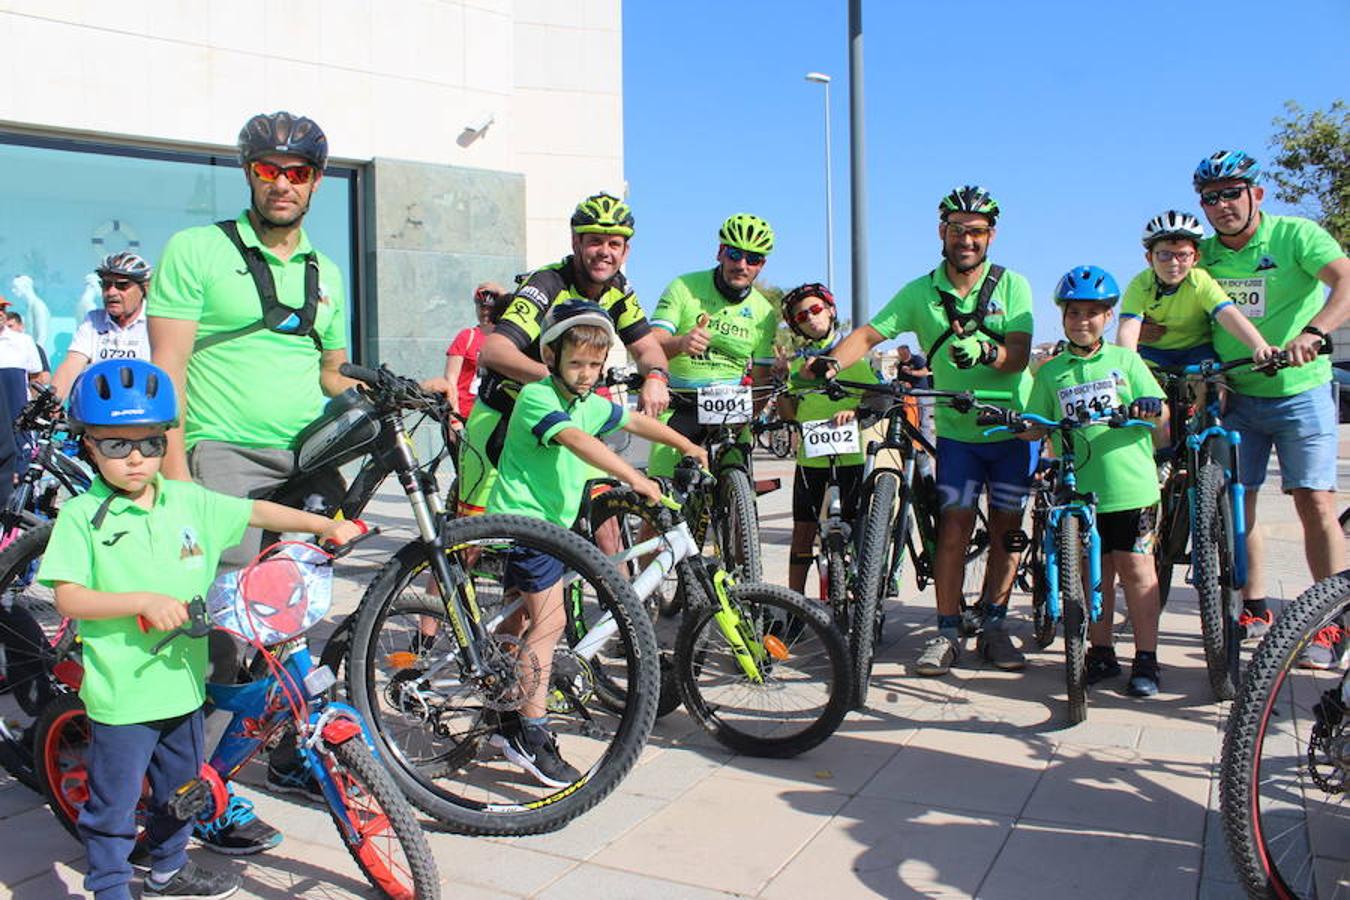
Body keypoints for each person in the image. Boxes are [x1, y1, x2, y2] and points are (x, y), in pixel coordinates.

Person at [37, 359, 359, 900]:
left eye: (150, 442)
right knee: (112, 804)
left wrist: (324, 523)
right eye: (116, 445)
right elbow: (68, 596)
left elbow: (257, 510)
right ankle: (110, 885)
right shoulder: (83, 516)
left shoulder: (186, 500)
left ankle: (168, 869)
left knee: (181, 791)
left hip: (184, 689)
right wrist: (139, 601)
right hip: (123, 695)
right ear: (88, 445)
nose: (135, 457)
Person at [147, 110, 350, 850]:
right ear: (249, 174)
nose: (283, 183)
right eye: (268, 169)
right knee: (229, 631)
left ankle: (288, 753)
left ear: (316, 182)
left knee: (299, 611)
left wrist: (378, 387)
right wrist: (176, 484)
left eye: (297, 172)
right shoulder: (197, 249)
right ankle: (200, 787)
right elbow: (167, 368)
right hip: (223, 452)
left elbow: (329, 369)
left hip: (307, 457)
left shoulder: (324, 269)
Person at [810, 185, 1037, 676]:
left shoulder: (1013, 285)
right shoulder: (921, 291)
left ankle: (995, 625)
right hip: (956, 434)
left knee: (1006, 529)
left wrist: (987, 353)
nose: (967, 240)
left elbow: (1018, 353)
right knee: (953, 527)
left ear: (990, 236)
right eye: (958, 230)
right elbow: (870, 334)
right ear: (943, 232)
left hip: (1009, 431)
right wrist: (829, 362)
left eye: (977, 231)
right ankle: (947, 630)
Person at [484, 300, 705, 786]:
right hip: (528, 524)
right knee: (550, 622)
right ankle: (531, 733)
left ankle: (498, 711)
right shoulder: (540, 397)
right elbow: (583, 444)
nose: (586, 374)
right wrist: (637, 478)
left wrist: (684, 443)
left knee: (519, 621)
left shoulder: (587, 400)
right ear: (551, 356)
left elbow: (631, 421)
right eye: (577, 363)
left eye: (594, 365)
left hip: (552, 526)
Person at [1191, 150, 1349, 660]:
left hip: (1301, 391)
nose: (1221, 205)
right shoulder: (1204, 254)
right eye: (1210, 198)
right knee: (1240, 503)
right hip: (1237, 395)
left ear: (1256, 193)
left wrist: (1314, 331)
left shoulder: (1295, 236)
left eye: (1232, 193)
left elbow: (1346, 279)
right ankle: (1254, 605)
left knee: (1314, 502)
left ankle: (1331, 623)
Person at [458, 192, 670, 517]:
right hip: (504, 414)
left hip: (569, 419)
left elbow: (646, 347)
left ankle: (603, 571)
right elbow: (494, 350)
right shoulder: (547, 283)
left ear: (626, 250)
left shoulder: (619, 292)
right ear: (576, 243)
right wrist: (558, 381)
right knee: (473, 535)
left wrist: (656, 376)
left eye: (614, 244)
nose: (605, 252)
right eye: (595, 242)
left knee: (603, 517)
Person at [1024, 267, 1168, 696]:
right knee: (1095, 574)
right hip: (1080, 491)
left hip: (1131, 487)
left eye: (1092, 313)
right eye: (1073, 313)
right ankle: (1100, 651)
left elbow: (1161, 414)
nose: (1082, 321)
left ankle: (1147, 659)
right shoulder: (1051, 372)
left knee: (1138, 570)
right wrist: (1018, 424)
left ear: (1108, 317)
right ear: (1063, 317)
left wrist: (1148, 407)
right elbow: (1037, 423)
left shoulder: (1126, 361)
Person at [646, 213, 779, 479]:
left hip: (731, 411)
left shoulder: (764, 312)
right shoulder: (684, 287)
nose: (742, 264)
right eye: (734, 254)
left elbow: (763, 378)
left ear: (761, 265)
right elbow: (650, 342)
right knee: (659, 499)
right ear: (720, 253)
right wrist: (681, 342)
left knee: (741, 496)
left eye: (752, 259)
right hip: (681, 404)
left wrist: (748, 417)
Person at [776, 283, 878, 598]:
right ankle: (795, 602)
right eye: (802, 315)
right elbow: (789, 413)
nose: (810, 318)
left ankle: (864, 601)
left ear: (831, 310)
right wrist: (781, 382)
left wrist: (855, 411)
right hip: (811, 461)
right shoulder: (796, 367)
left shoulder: (855, 361)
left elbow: (877, 399)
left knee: (858, 531)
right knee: (803, 532)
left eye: (816, 309)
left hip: (850, 459)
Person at [1117, 211, 1274, 368]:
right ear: (1150, 258)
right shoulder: (1140, 285)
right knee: (1147, 384)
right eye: (1164, 255)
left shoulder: (1199, 281)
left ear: (1196, 258)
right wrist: (1127, 368)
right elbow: (1128, 329)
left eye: (1183, 255)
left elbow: (1228, 314)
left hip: (1197, 349)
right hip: (1154, 350)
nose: (1173, 263)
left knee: (1212, 383)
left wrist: (1259, 346)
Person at [52, 252, 154, 399]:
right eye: (106, 285)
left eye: (122, 285)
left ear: (144, 289)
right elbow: (71, 366)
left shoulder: (155, 322)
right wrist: (50, 405)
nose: (111, 292)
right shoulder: (93, 320)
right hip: (99, 413)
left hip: (145, 412)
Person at [443, 282, 504, 421]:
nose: (485, 312)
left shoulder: (505, 340)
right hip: (465, 414)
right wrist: (454, 417)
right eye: (482, 307)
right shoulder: (466, 337)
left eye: (490, 308)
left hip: (492, 415)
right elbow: (450, 381)